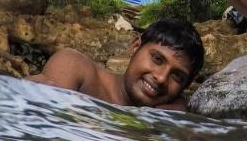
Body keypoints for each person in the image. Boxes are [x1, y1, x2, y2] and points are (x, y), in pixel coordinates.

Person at [28, 18, 204, 111]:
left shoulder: (171, 112)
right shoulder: (75, 68)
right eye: (157, 59)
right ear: (135, 46)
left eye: (177, 76)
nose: (161, 78)